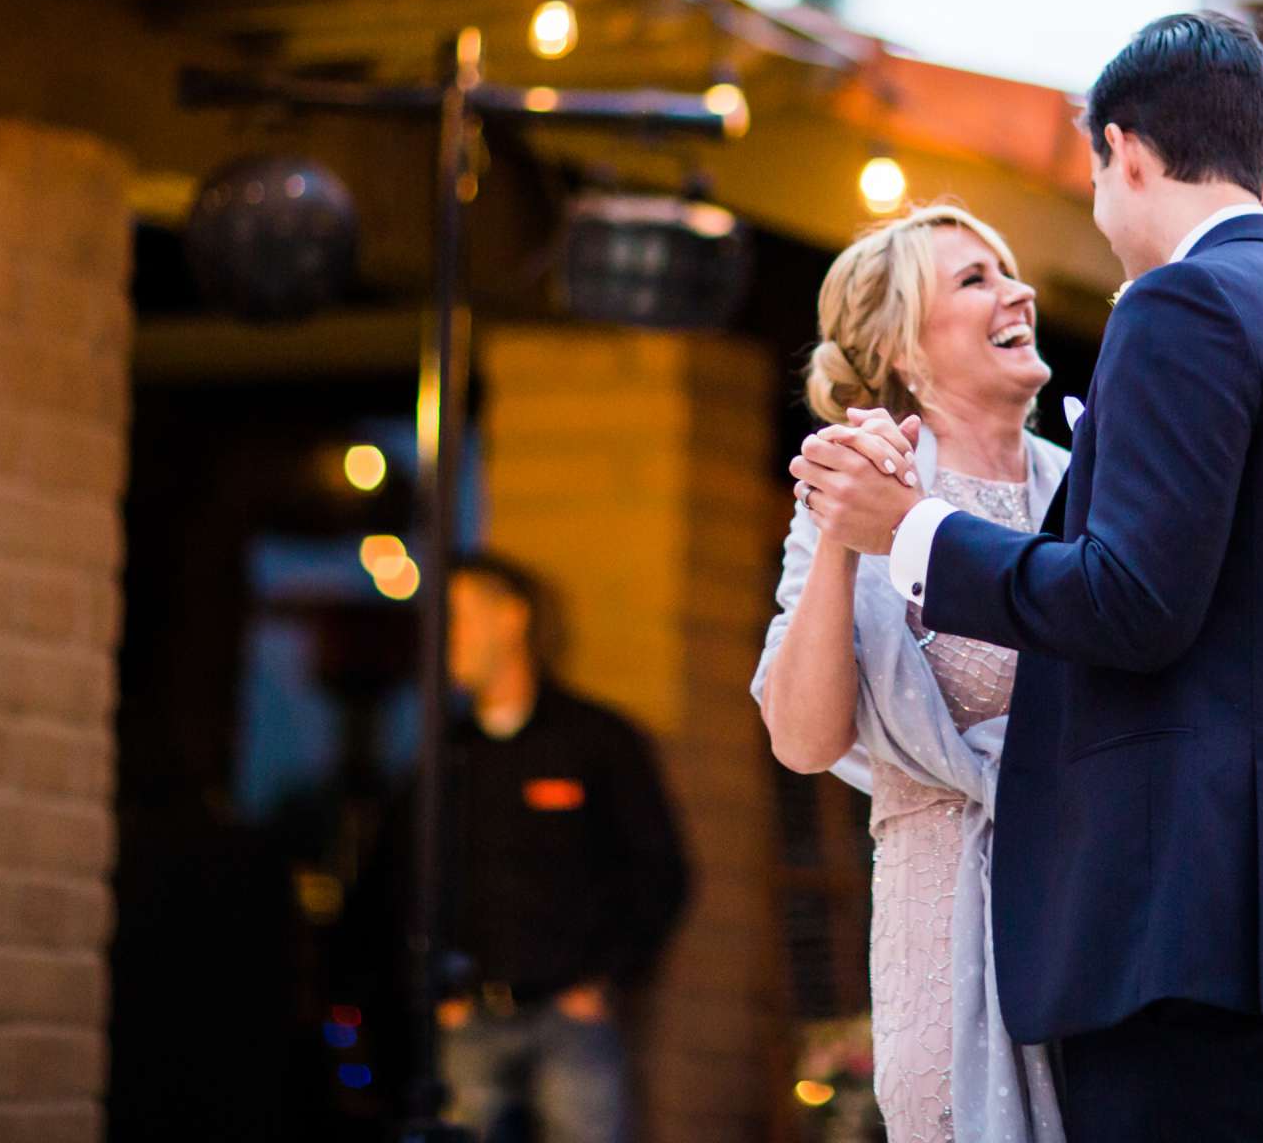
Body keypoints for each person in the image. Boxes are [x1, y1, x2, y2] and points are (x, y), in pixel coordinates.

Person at [795, 12, 1263, 1143]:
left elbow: (1133, 601)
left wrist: (914, 532)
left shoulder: (1181, 304)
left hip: (1183, 930)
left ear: (1123, 151)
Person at [754, 204, 1072, 1143]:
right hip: (942, 920)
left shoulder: (1090, 486)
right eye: (975, 280)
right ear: (902, 350)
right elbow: (803, 741)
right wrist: (848, 535)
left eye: (1008, 271)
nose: (1017, 292)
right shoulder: (851, 497)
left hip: (1089, 907)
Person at [431, 551, 690, 1142]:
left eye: (460, 616)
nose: (447, 638)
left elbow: (660, 874)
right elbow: (402, 878)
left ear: (511, 619)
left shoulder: (597, 741)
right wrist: (441, 990)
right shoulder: (446, 755)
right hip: (468, 1016)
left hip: (571, 1019)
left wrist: (601, 980)